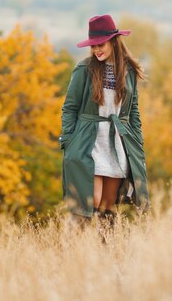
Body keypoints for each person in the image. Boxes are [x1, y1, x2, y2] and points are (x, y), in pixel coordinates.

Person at [59, 14, 150, 226]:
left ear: (113, 41)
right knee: (90, 201)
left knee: (108, 207)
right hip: (88, 142)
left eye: (100, 45)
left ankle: (105, 254)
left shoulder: (128, 71)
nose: (96, 50)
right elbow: (69, 107)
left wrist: (137, 143)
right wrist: (69, 141)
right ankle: (72, 250)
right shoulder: (84, 69)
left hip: (117, 142)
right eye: (93, 46)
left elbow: (132, 111)